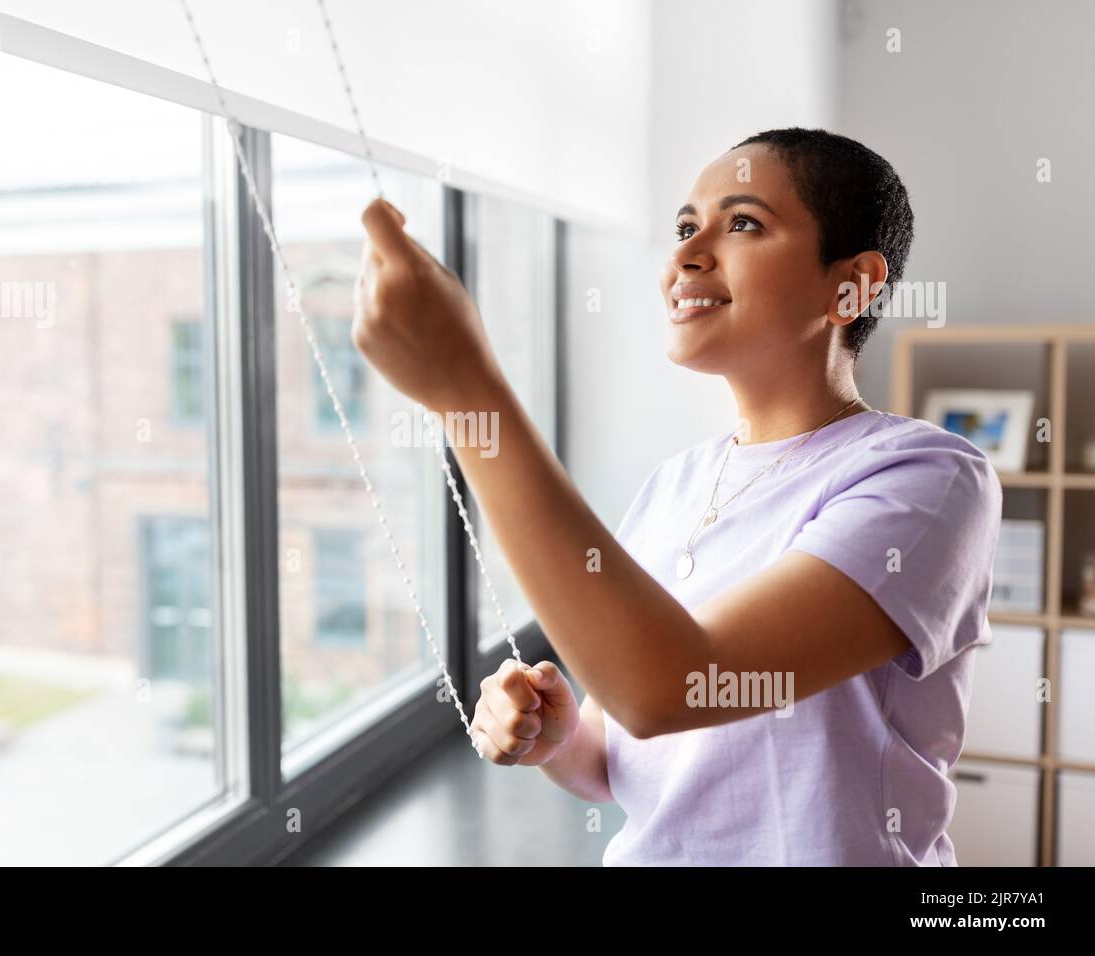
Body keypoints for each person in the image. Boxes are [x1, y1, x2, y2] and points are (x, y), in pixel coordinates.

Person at [352, 127, 1002, 866]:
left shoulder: (929, 478)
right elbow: (618, 749)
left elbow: (673, 685)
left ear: (851, 284)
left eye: (745, 223)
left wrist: (467, 392)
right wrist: (556, 736)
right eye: (687, 227)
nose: (687, 255)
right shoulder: (676, 483)